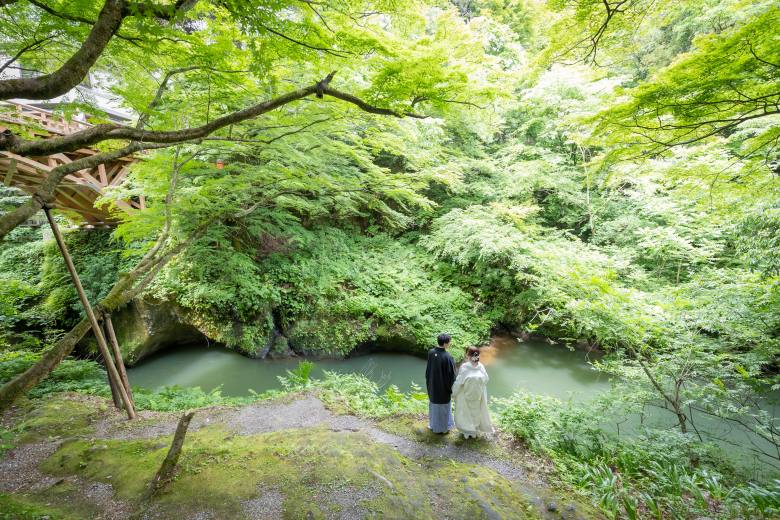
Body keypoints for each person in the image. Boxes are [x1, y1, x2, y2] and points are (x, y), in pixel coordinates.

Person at [452, 346, 493, 439]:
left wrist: (453, 393)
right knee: (476, 411)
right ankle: (474, 431)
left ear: (468, 355)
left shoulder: (465, 367)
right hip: (478, 394)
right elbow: (486, 379)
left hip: (466, 393)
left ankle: (467, 432)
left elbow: (459, 381)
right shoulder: (481, 366)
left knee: (465, 413)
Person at [425, 333, 456, 434]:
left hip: (432, 386)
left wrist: (429, 384)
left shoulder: (431, 352)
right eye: (449, 342)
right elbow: (452, 376)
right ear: (446, 343)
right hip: (443, 389)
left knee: (434, 406)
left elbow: (428, 371)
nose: (450, 343)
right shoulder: (448, 357)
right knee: (443, 408)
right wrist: (451, 389)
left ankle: (433, 425)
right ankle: (442, 429)